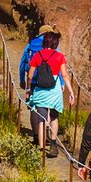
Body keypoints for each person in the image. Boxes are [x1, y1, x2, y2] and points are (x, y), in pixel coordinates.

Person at [23, 28, 66, 156]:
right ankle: (53, 144)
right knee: (53, 117)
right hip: (54, 89)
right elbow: (62, 73)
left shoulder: (33, 49)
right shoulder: (58, 54)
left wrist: (28, 88)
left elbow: (27, 71)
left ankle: (39, 144)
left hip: (39, 86)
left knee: (40, 117)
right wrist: (64, 85)